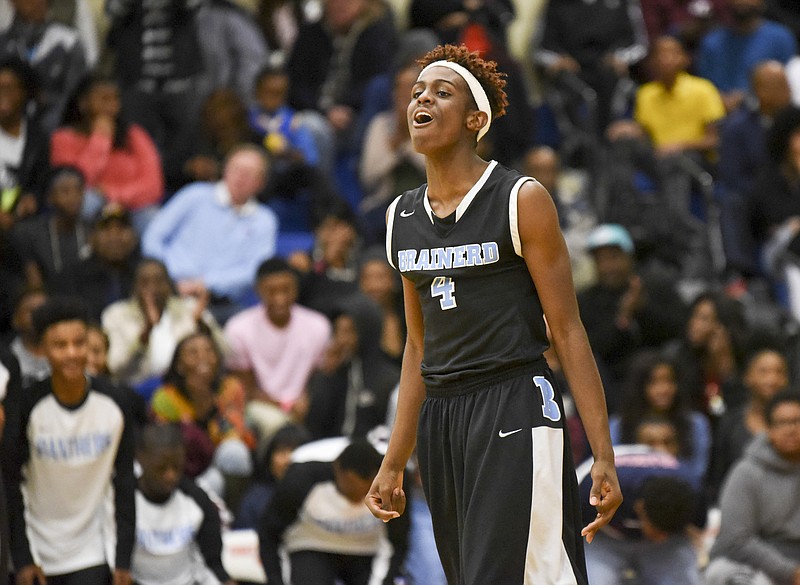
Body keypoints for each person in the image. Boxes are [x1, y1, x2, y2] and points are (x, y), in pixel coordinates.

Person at [365, 44, 622, 585]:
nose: (422, 99)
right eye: (417, 92)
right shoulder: (399, 216)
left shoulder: (521, 198)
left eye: (441, 92)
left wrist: (602, 454)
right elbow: (418, 347)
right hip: (441, 415)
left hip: (514, 401)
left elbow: (568, 330)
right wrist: (394, 460)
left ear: (476, 120)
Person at [3, 296, 135, 585]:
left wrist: (122, 558)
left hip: (93, 550)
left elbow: (123, 482)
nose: (72, 353)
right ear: (43, 351)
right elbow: (13, 484)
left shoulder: (116, 402)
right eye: (60, 345)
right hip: (40, 550)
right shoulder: (28, 406)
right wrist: (23, 558)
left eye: (79, 342)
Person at [142, 144, 279, 323]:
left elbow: (255, 269)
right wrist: (169, 276)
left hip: (221, 302)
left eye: (249, 173)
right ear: (225, 170)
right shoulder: (195, 195)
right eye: (236, 169)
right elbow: (153, 237)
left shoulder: (264, 220)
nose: (241, 177)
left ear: (261, 183)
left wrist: (207, 284)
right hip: (171, 288)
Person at [259, 439, 409, 585]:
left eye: (367, 491)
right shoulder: (300, 480)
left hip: (366, 551)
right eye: (351, 484)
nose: (358, 494)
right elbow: (269, 534)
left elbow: (398, 542)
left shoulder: (392, 484)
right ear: (338, 470)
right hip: (311, 545)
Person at [577, 417, 705, 585]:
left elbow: (697, 529)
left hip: (665, 547)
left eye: (664, 532)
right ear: (639, 508)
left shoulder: (693, 488)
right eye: (658, 530)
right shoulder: (594, 487)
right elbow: (568, 527)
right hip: (604, 539)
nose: (659, 537)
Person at [577, 223, 688, 409]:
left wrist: (643, 309)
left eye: (614, 257)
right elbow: (594, 348)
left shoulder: (657, 288)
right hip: (613, 383)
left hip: (662, 376)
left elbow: (681, 329)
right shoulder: (586, 301)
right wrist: (623, 318)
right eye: (600, 260)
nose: (608, 267)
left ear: (630, 257)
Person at [224, 257, 331, 444]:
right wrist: (284, 407)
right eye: (271, 291)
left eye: (286, 290)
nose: (280, 298)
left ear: (296, 288)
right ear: (258, 290)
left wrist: (306, 401)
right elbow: (244, 388)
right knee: (274, 423)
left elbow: (319, 377)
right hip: (260, 408)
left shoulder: (318, 325)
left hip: (305, 406)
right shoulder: (238, 328)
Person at [705, 390, 800, 585]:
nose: (792, 429)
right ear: (769, 429)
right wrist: (791, 573)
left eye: (797, 421)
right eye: (783, 423)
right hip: (754, 565)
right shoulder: (746, 472)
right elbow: (736, 540)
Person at [50, 73, 164, 233]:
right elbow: (74, 184)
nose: (110, 107)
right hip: (91, 208)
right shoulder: (63, 138)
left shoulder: (134, 135)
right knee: (87, 202)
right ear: (83, 103)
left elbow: (153, 186)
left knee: (153, 217)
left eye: (114, 100)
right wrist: (101, 139)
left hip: (131, 208)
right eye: (103, 99)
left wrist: (110, 194)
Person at [131, 422, 235, 585]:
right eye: (161, 468)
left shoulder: (197, 499)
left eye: (177, 467)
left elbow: (212, 563)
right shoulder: (122, 501)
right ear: (140, 458)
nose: (170, 475)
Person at [102, 258, 225, 394]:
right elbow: (115, 367)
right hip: (134, 392)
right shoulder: (116, 315)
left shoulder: (189, 308)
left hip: (187, 390)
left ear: (169, 284)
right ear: (134, 286)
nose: (152, 288)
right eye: (144, 282)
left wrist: (202, 325)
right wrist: (146, 333)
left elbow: (227, 354)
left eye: (159, 281)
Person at [610, 350, 712, 484]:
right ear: (640, 387)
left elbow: (698, 472)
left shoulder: (696, 424)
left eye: (669, 381)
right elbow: (613, 468)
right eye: (654, 382)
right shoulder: (619, 425)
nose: (664, 389)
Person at [708, 345, 789, 501]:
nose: (772, 379)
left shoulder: (796, 423)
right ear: (747, 377)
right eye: (764, 371)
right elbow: (718, 477)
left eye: (779, 372)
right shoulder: (730, 423)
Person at [696, 0, 797, 112]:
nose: (742, 3)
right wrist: (721, 99)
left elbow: (788, 81)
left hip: (766, 112)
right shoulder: (712, 42)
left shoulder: (781, 38)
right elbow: (704, 83)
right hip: (719, 111)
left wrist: (747, 97)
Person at [233, 422, 311, 530]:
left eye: (295, 451)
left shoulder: (320, 497)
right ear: (270, 458)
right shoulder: (254, 500)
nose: (288, 460)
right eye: (282, 451)